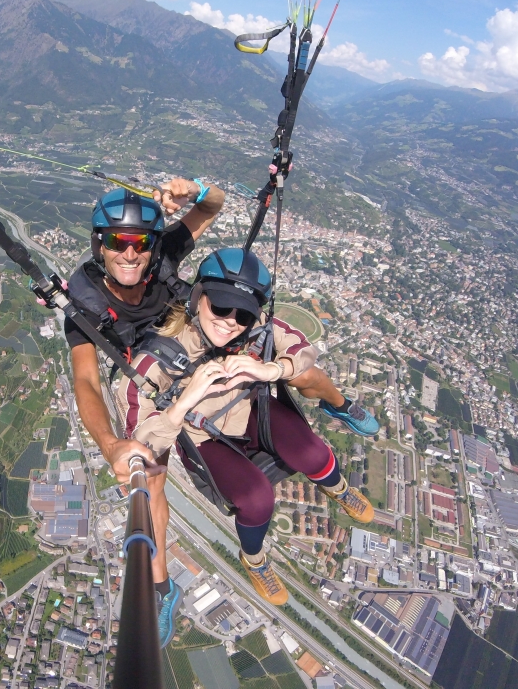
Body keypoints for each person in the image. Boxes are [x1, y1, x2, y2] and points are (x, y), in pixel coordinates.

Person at [66, 184, 377, 641]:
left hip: (198, 337)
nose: (130, 253)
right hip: (158, 375)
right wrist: (113, 444)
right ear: (99, 244)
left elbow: (211, 207)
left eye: (140, 244)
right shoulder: (85, 309)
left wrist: (192, 188)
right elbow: (87, 382)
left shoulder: (170, 262)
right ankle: (160, 587)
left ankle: (342, 410)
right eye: (117, 242)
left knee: (307, 408)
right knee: (149, 479)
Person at [116, 247, 374, 606]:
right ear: (198, 299)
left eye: (243, 314)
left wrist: (273, 370)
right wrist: (184, 401)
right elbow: (139, 444)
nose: (230, 321)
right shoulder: (157, 359)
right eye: (220, 307)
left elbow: (300, 347)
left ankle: (339, 488)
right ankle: (255, 560)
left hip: (251, 408)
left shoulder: (255, 330)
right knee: (256, 501)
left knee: (313, 452)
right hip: (203, 437)